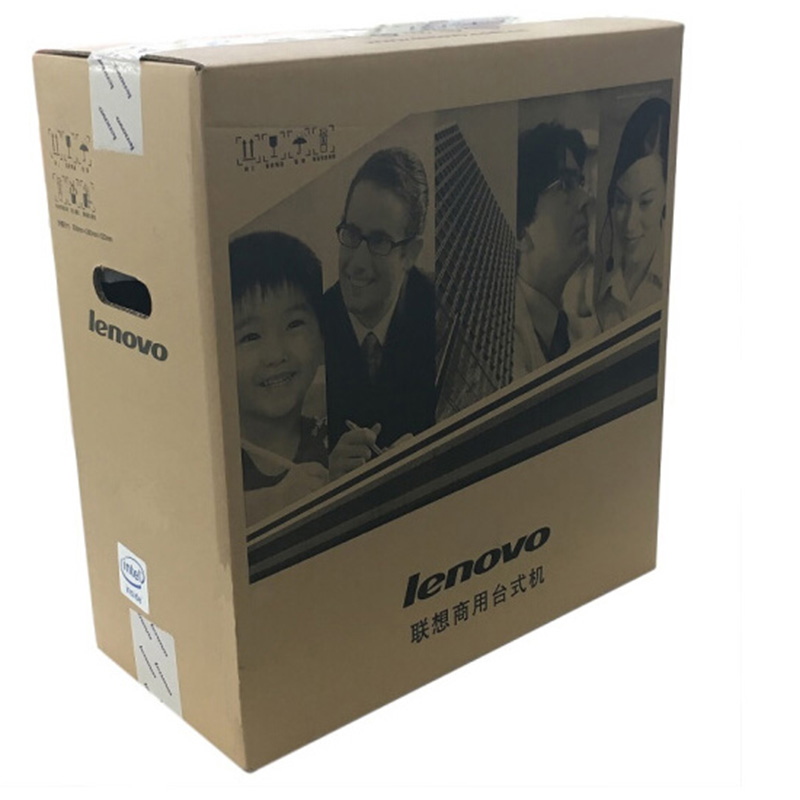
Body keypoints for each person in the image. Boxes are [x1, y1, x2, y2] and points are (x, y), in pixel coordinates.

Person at [322, 147, 436, 477]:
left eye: (379, 241)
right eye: (351, 233)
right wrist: (328, 473)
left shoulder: (441, 313)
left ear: (410, 253)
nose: (357, 263)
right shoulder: (313, 321)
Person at [229, 231, 329, 524]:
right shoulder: (215, 457)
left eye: (294, 324)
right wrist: (277, 500)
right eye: (250, 337)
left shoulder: (330, 437)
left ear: (323, 338)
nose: (275, 355)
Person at [514, 123, 592, 378]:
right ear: (521, 230)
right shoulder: (500, 339)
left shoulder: (575, 331)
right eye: (566, 184)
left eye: (580, 182)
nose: (584, 199)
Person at [595, 97, 671, 330]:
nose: (629, 224)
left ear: (667, 197)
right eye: (621, 201)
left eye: (646, 202)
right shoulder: (596, 293)